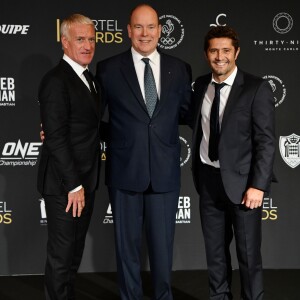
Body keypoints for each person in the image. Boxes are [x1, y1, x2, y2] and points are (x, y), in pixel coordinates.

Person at [95, 4, 192, 300]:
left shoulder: (179, 68)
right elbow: (92, 119)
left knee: (163, 249)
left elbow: (190, 115)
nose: (145, 34)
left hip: (165, 172)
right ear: (128, 31)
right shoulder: (109, 68)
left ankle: (164, 296)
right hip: (125, 171)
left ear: (160, 31)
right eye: (138, 27)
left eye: (151, 27)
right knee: (127, 248)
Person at [191, 25, 275, 300]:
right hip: (208, 182)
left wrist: (258, 186)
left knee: (249, 257)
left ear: (236, 52)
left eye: (226, 50)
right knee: (215, 257)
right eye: (214, 50)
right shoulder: (201, 86)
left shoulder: (256, 88)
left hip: (244, 187)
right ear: (206, 54)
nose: (220, 56)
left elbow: (266, 140)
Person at [37, 14, 101, 300]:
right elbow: (57, 138)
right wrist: (74, 185)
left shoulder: (90, 79)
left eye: (91, 39)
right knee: (61, 259)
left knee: (73, 257)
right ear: (64, 42)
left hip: (85, 181)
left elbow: (89, 127)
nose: (87, 45)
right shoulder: (55, 81)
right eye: (80, 39)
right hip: (66, 186)